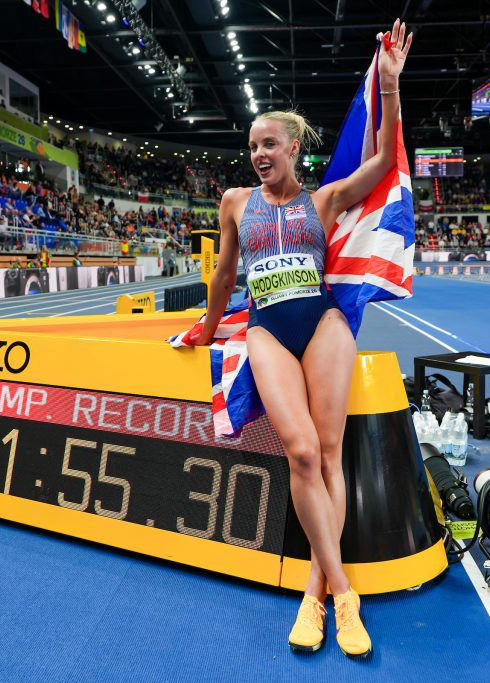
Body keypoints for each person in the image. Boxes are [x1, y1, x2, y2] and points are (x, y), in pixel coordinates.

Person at [197, 20, 412, 658]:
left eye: (270, 144)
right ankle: (344, 589)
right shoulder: (235, 203)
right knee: (299, 452)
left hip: (321, 323)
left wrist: (391, 86)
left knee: (328, 451)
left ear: (293, 148)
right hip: (267, 327)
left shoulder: (323, 201)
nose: (259, 154)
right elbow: (225, 275)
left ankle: (318, 593)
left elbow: (382, 162)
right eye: (252, 146)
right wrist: (206, 328)